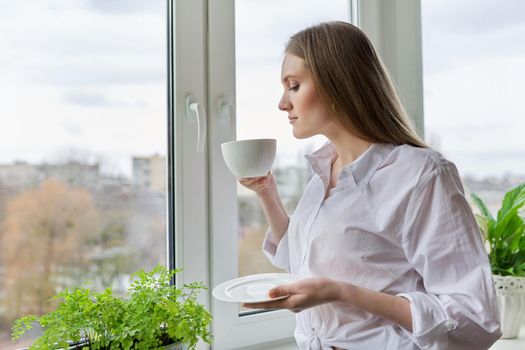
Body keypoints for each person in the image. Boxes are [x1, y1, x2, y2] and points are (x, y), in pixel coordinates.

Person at [239, 21, 501, 350]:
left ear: (336, 84)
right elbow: (303, 260)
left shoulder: (420, 174)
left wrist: (342, 292)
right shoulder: (324, 170)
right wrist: (267, 193)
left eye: (293, 86)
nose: (282, 103)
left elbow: (475, 316)